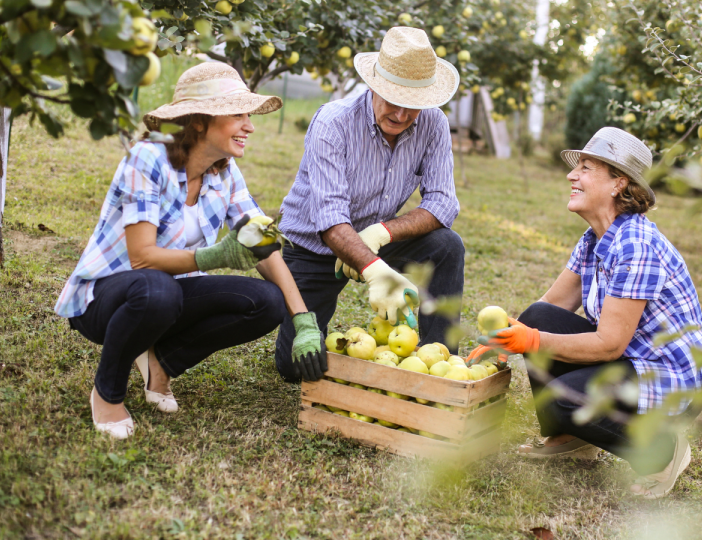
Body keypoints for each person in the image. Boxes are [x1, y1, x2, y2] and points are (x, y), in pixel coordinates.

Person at [55, 63, 326, 440]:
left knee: (267, 302)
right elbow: (142, 258)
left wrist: (302, 319)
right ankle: (107, 392)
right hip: (105, 297)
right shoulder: (148, 158)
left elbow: (262, 243)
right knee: (156, 290)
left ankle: (161, 366)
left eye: (248, 114)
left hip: (169, 298)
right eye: (238, 114)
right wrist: (216, 257)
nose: (249, 125)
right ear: (199, 121)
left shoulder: (225, 172)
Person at [468, 127, 702, 499]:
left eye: (585, 168)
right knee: (538, 316)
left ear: (619, 183)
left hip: (669, 378)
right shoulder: (595, 238)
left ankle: (664, 452)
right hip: (634, 361)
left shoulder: (637, 245)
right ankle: (571, 436)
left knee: (565, 398)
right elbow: (549, 309)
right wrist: (509, 337)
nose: (572, 175)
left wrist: (532, 341)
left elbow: (609, 345)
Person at [274, 26, 464, 382]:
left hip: (380, 238)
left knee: (447, 246)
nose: (403, 114)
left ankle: (439, 365)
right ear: (374, 85)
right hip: (315, 250)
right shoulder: (333, 123)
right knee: (295, 366)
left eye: (415, 104)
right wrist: (373, 269)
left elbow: (443, 203)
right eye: (394, 99)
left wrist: (381, 233)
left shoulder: (434, 124)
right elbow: (330, 219)